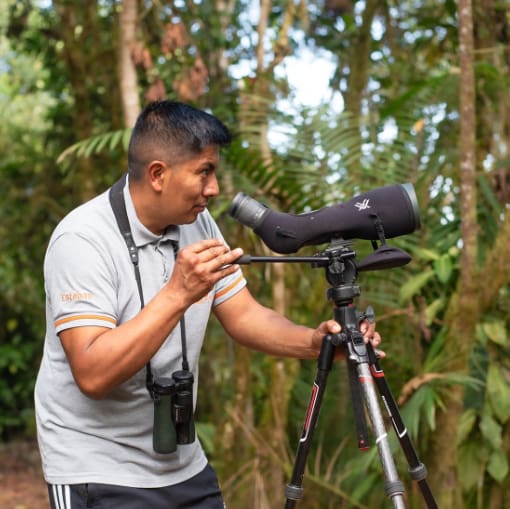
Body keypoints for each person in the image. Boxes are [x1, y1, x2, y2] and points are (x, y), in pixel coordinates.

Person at [35, 100, 381, 509]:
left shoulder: (197, 224)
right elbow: (92, 374)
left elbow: (245, 315)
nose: (214, 189)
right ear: (158, 174)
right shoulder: (82, 240)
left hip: (182, 464)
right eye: (204, 172)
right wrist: (178, 293)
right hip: (96, 468)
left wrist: (315, 342)